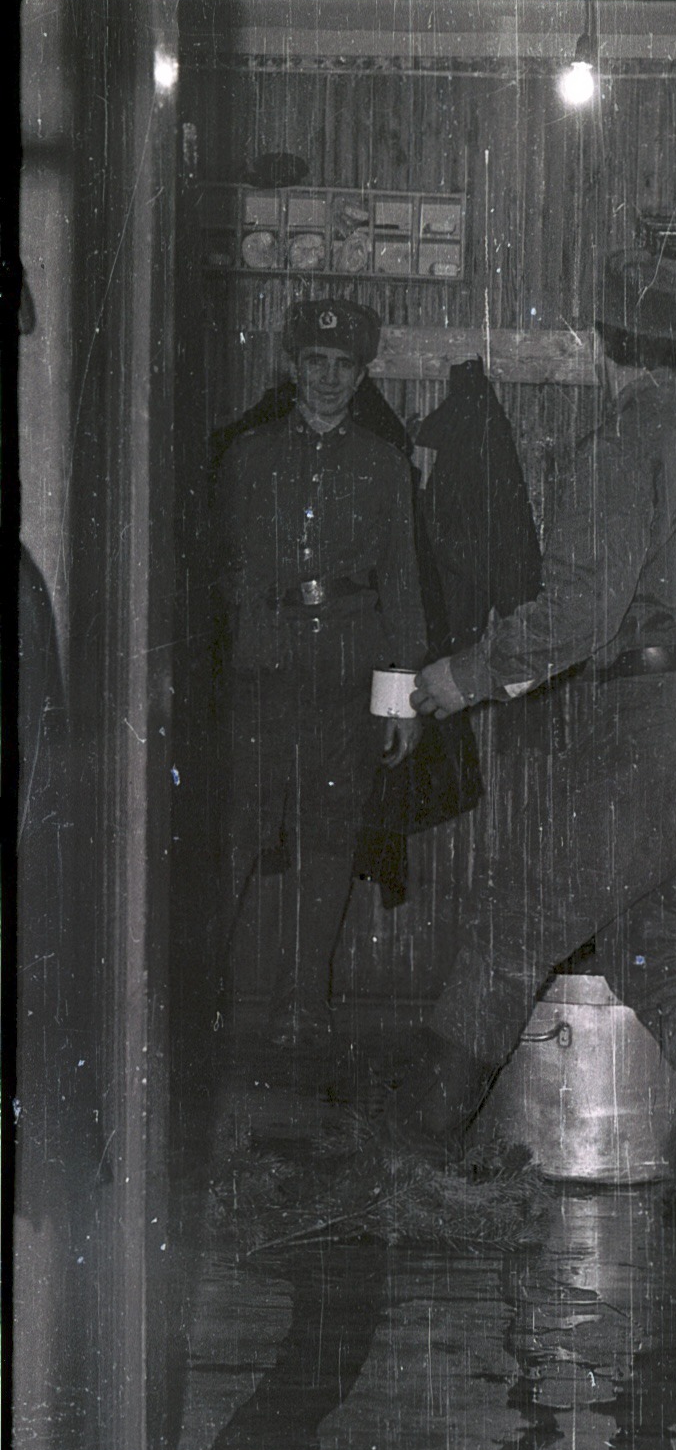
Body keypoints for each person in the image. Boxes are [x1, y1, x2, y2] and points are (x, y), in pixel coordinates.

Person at [396, 248, 676, 1212]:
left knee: (507, 927)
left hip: (662, 735)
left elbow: (579, 612)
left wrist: (468, 673)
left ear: (593, 348)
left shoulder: (623, 449)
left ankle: (408, 1159)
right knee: (656, 955)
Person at [212, 298, 427, 1048]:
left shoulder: (383, 464)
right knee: (239, 828)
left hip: (347, 670)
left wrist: (402, 700)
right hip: (262, 670)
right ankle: (196, 991)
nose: (330, 378)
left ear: (362, 373)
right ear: (290, 367)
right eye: (315, 363)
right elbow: (220, 570)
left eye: (345, 366)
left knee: (328, 838)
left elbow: (402, 581)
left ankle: (301, 1002)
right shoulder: (246, 456)